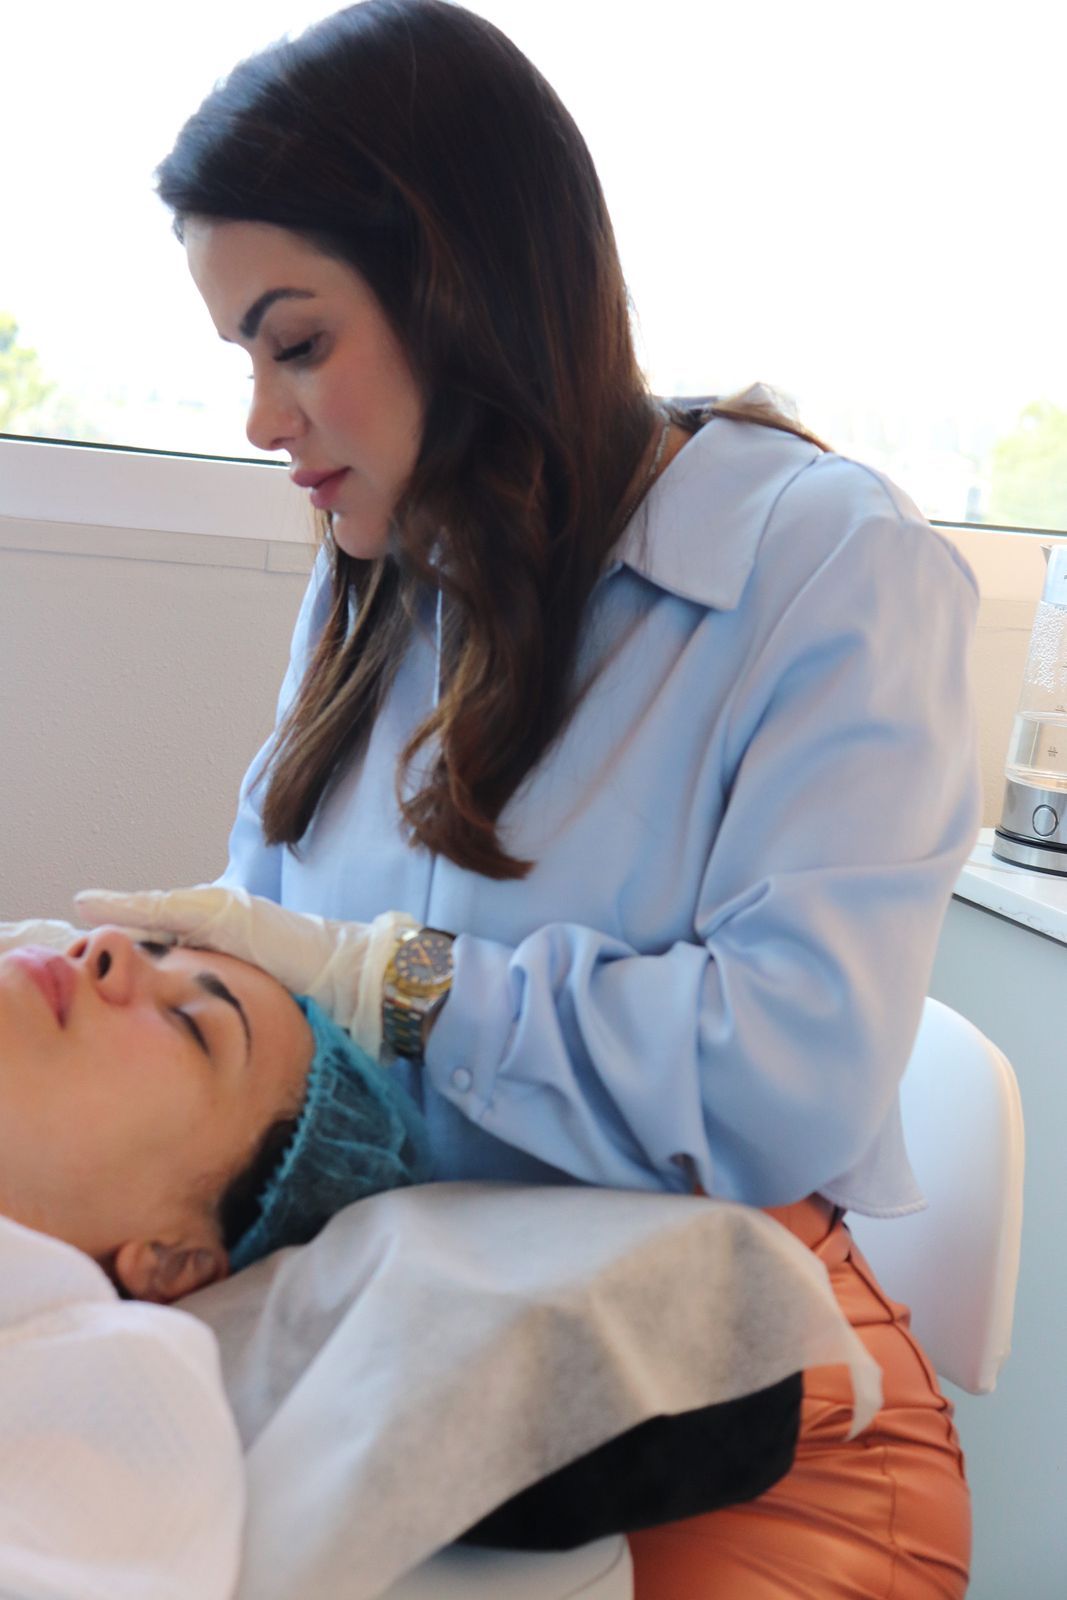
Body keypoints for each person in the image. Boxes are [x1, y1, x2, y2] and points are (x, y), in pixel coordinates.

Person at [80, 2, 983, 1594]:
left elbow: (788, 1080)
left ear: (464, 287)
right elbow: (266, 972)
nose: (263, 420)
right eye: (245, 358)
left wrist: (398, 987)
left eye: (298, 344)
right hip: (421, 1345)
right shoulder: (374, 577)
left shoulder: (821, 563)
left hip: (728, 1396)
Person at [0, 919, 430, 1598]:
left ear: (172, 1262)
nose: (104, 944)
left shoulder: (111, 1411)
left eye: (191, 1025)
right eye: (151, 946)